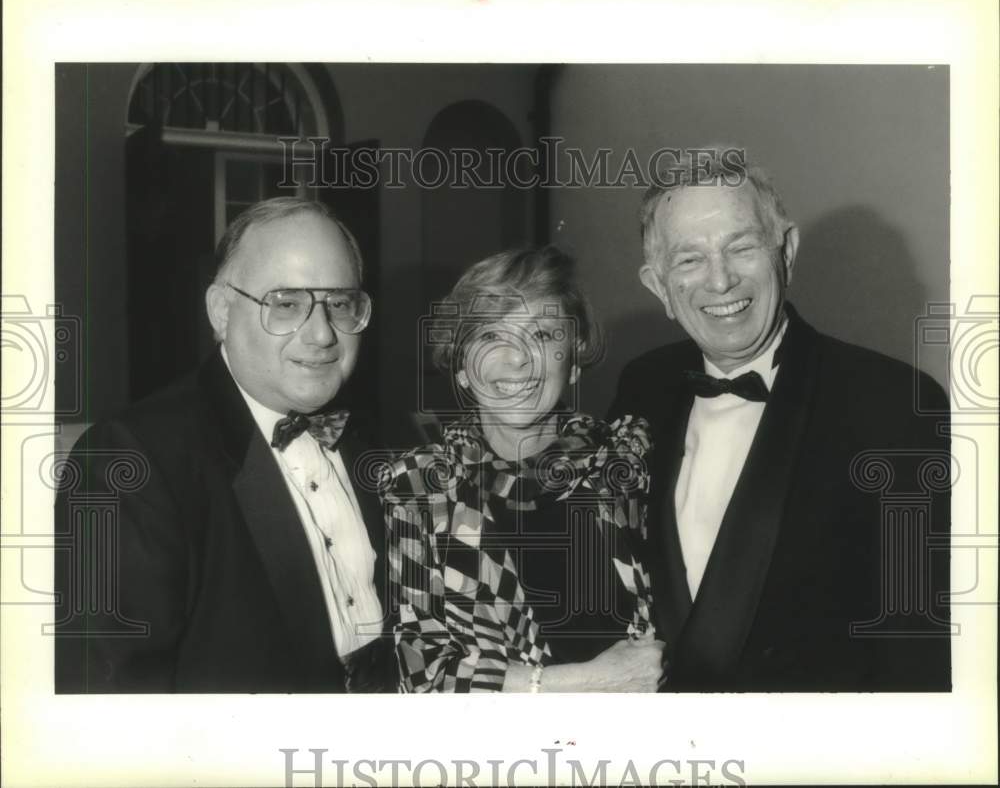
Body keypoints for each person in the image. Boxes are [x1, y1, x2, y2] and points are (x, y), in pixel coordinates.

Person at [608, 152, 951, 691]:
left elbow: (921, 648)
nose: (720, 281)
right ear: (658, 286)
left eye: (741, 247)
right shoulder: (641, 387)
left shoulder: (896, 404)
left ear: (785, 250)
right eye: (689, 259)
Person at [54, 197, 395, 693]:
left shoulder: (375, 442)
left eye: (340, 303)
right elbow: (107, 704)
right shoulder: (128, 459)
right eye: (286, 303)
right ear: (220, 310)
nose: (322, 334)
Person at [383, 246, 664, 692]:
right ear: (460, 367)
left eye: (544, 335)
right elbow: (423, 676)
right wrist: (584, 683)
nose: (517, 359)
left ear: (573, 361)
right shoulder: (418, 486)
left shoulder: (629, 459)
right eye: (491, 336)